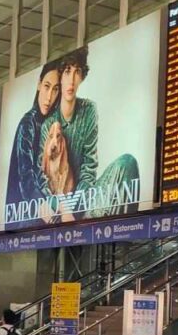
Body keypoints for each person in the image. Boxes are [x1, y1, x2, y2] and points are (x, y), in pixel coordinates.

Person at [38, 47, 139, 223]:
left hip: (83, 201)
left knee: (127, 163)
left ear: (82, 77)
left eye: (77, 72)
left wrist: (73, 205)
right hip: (57, 207)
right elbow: (43, 177)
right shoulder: (48, 124)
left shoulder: (89, 110)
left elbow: (89, 170)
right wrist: (61, 205)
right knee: (45, 206)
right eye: (67, 71)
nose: (71, 80)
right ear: (60, 76)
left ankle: (121, 238)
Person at [4, 60, 61, 229]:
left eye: (55, 89)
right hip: (23, 219)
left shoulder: (51, 123)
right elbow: (26, 179)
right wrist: (49, 213)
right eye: (46, 86)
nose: (49, 96)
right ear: (38, 85)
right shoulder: (28, 124)